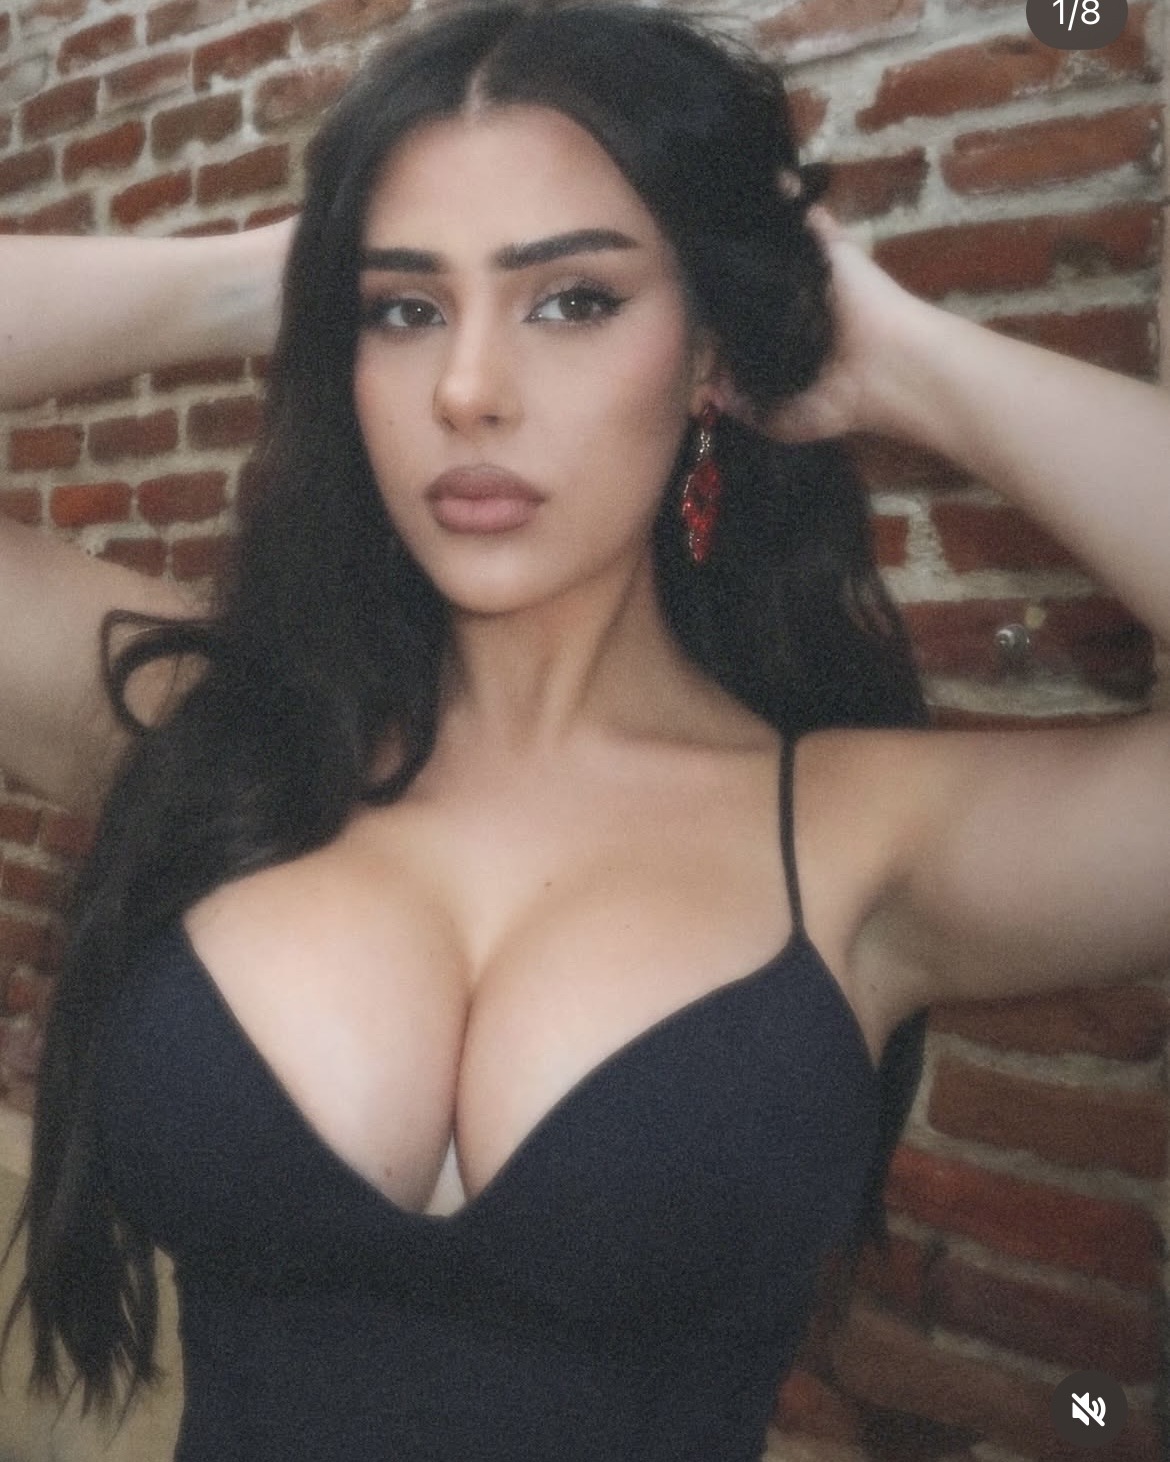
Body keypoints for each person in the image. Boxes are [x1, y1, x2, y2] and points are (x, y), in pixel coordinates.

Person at [0, 3, 1168, 1458]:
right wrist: (280, 278)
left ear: (707, 356)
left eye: (572, 300)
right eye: (405, 311)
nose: (466, 390)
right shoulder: (211, 733)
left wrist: (894, 356)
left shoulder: (863, 837)